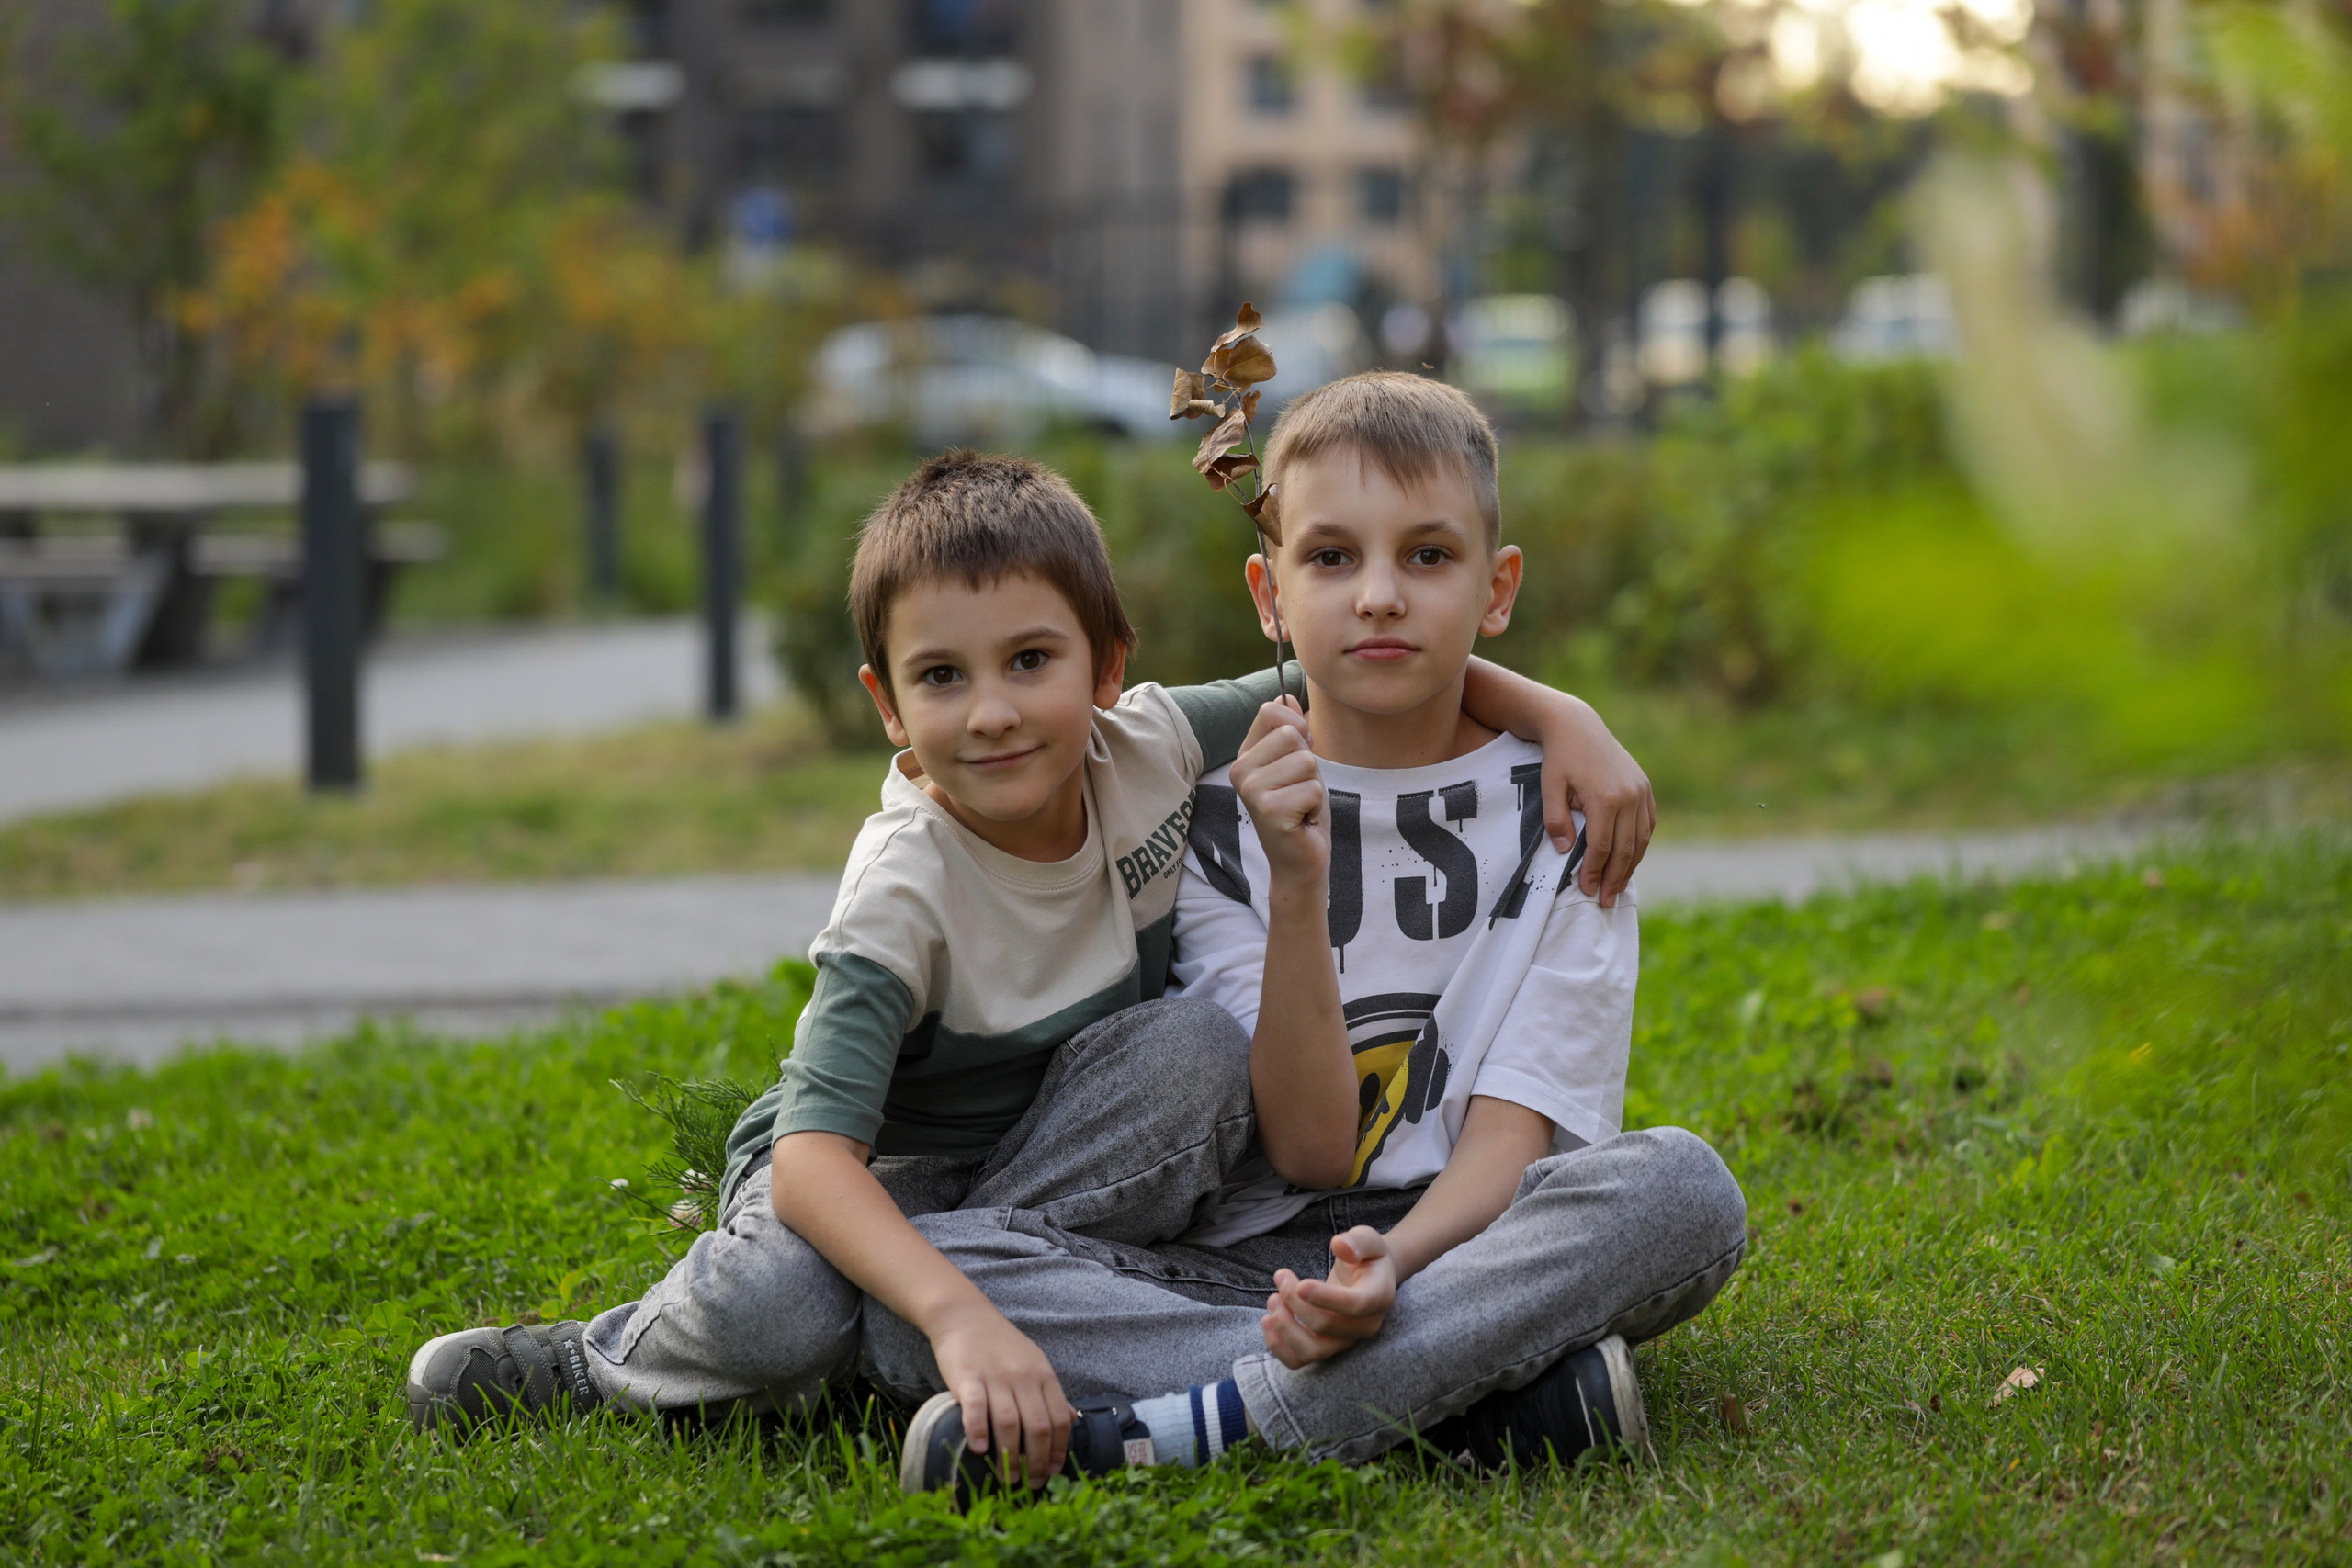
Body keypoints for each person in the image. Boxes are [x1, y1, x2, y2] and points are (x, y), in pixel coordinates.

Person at [402, 449, 1656, 1490]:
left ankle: (1019, 1333)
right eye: (941, 677)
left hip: (1075, 1152)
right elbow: (811, 1158)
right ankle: (605, 1355)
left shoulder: (1151, 744)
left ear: (1107, 670)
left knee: (1193, 1054)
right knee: (794, 1306)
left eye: (1029, 662)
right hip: (873, 1174)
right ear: (887, 705)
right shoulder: (905, 886)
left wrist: (1563, 718)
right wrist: (956, 1309)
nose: (993, 711)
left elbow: (1355, 665)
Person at [882, 378, 1747, 1502]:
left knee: (1682, 1191)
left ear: (1498, 589)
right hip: (1245, 1262)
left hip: (1475, 1241)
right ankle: (1486, 1400)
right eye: (1332, 558)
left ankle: (1194, 1427)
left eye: (1428, 558)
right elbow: (1306, 1152)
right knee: (935, 1278)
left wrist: (1401, 1263)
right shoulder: (1209, 810)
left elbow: (1512, 1142)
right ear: (1269, 595)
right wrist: (1297, 882)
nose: (1380, 597)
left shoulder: (1564, 812)